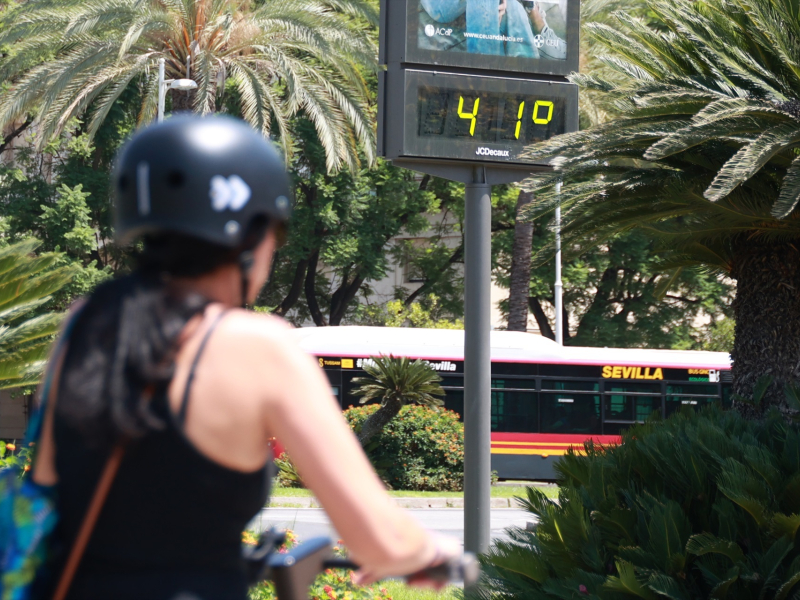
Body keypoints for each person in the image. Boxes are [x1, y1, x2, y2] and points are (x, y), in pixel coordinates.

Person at [31, 115, 459, 600]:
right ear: (251, 234)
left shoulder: (85, 324)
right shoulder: (260, 346)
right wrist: (430, 554)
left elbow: (47, 480)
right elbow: (378, 539)